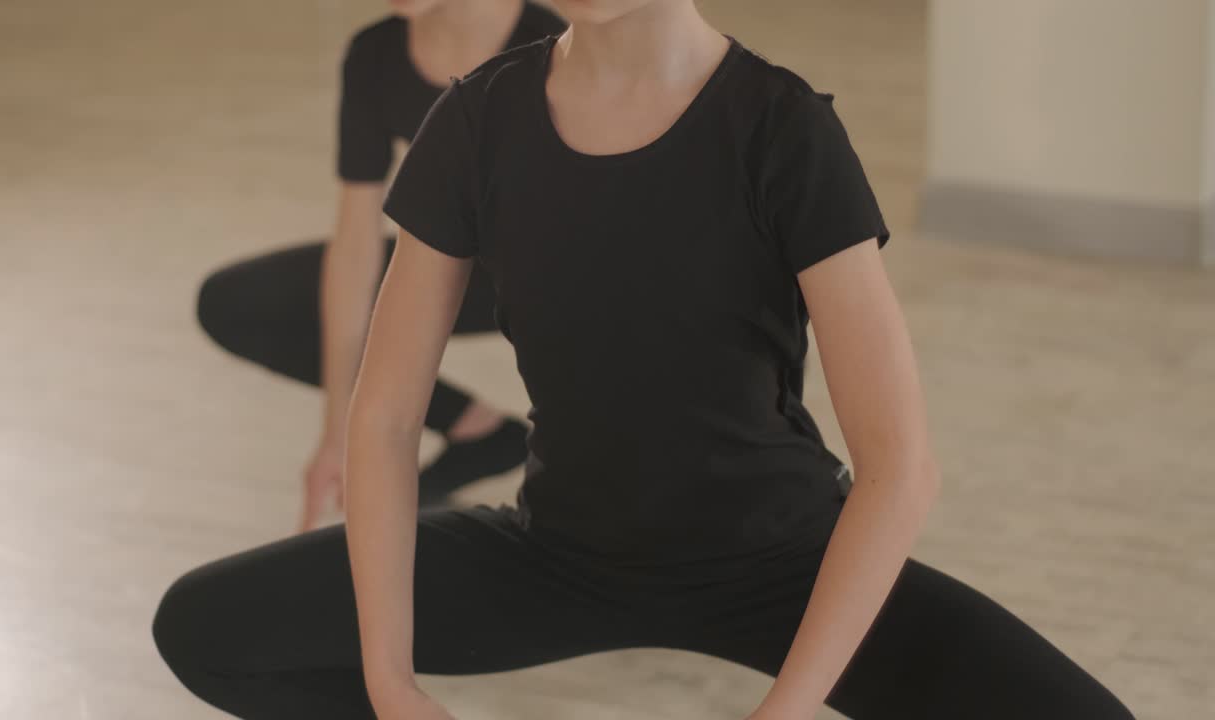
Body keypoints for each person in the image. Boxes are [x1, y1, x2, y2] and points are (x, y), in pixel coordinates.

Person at [153, 1, 1137, 718]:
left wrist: (785, 711)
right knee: (206, 627)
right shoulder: (477, 120)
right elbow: (385, 419)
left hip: (781, 563)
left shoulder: (784, 127)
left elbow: (900, 468)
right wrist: (389, 681)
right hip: (556, 554)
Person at [194, 0, 564, 530]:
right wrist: (341, 432)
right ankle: (478, 431)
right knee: (233, 304)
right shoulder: (375, 53)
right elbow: (355, 246)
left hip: (563, 274)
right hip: (459, 261)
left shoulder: (559, 47)